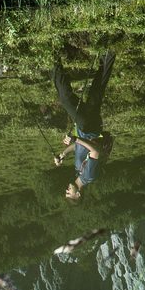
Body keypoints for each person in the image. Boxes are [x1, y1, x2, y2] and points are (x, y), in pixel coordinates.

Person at [52, 52, 115, 201]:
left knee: (96, 92)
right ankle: (54, 60)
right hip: (89, 128)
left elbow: (79, 148)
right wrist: (76, 138)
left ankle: (108, 55)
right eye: (69, 194)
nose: (67, 191)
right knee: (66, 100)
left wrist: (63, 154)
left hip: (87, 128)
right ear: (78, 194)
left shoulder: (78, 173)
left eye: (66, 193)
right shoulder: (89, 177)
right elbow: (95, 151)